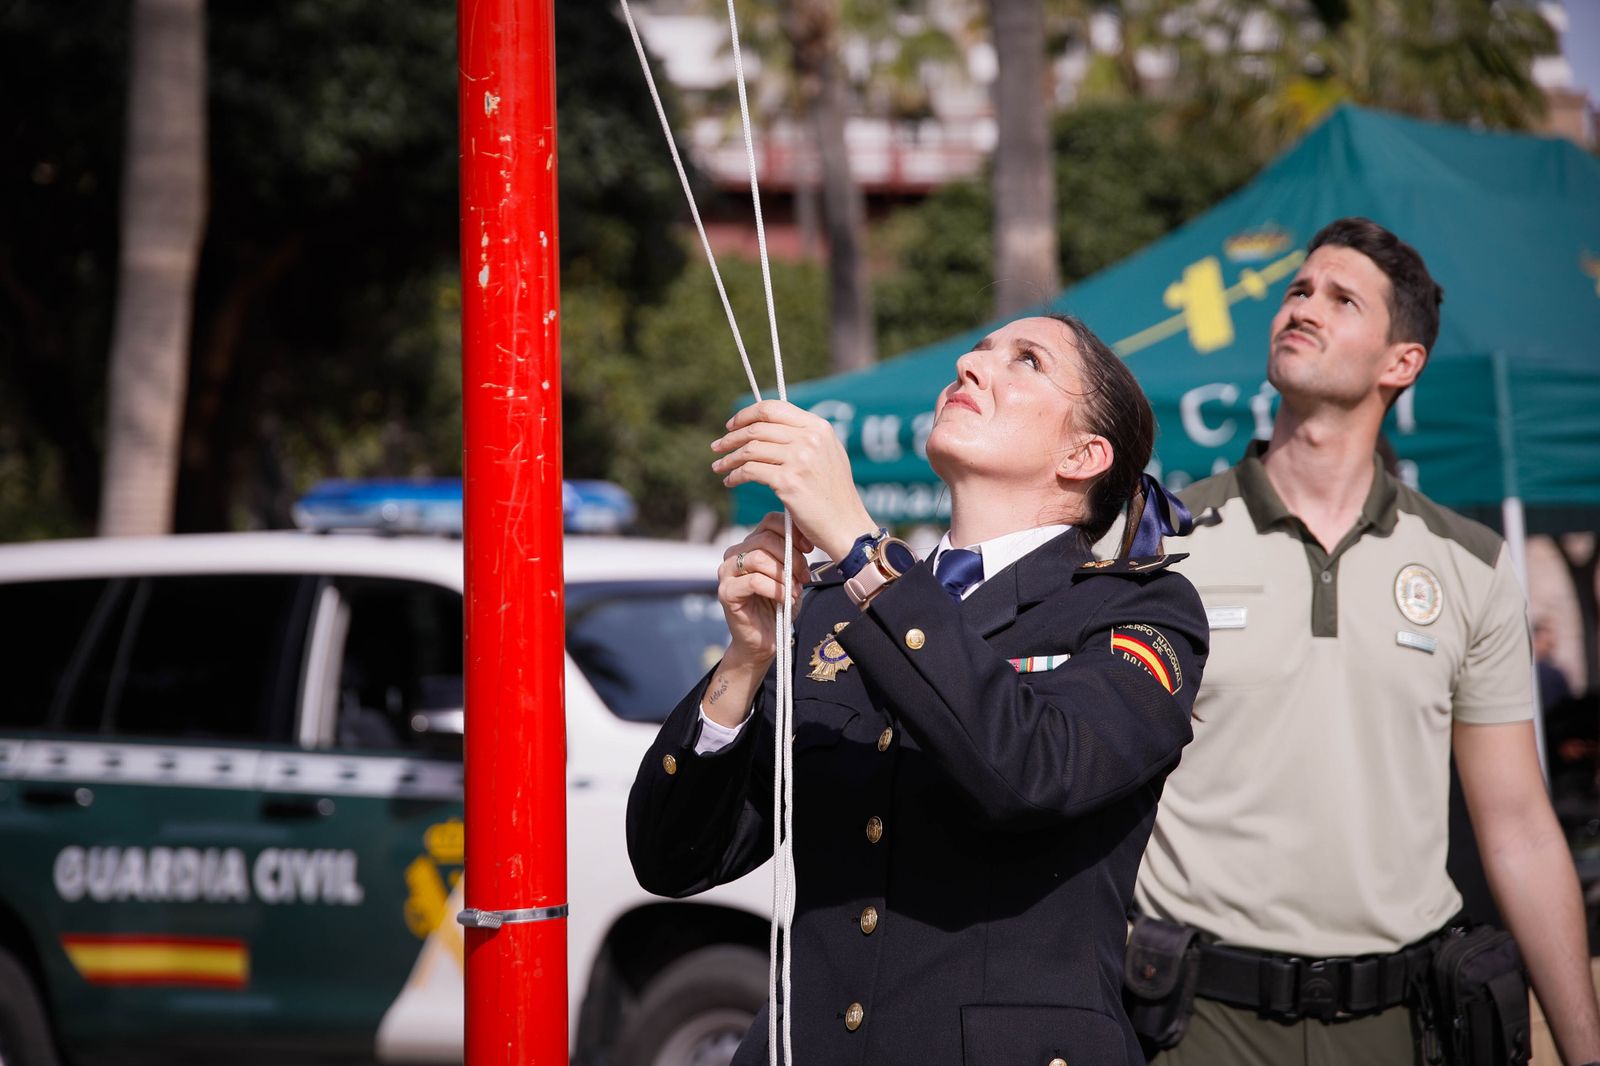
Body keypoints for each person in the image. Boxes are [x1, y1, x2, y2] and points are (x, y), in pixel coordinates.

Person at [627, 313, 1209, 1065]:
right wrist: (747, 661)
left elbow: (1036, 772)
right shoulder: (842, 603)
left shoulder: (1137, 608)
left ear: (1084, 454)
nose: (971, 363)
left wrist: (860, 546)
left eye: (1026, 360)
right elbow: (675, 859)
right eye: (980, 348)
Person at [1133, 218, 1600, 1065]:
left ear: (1401, 363)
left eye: (1342, 299)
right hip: (1194, 1020)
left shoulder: (1472, 565)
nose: (1302, 308)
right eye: (1297, 291)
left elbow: (1521, 829)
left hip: (1398, 1020)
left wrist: (1585, 1050)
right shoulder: (1161, 541)